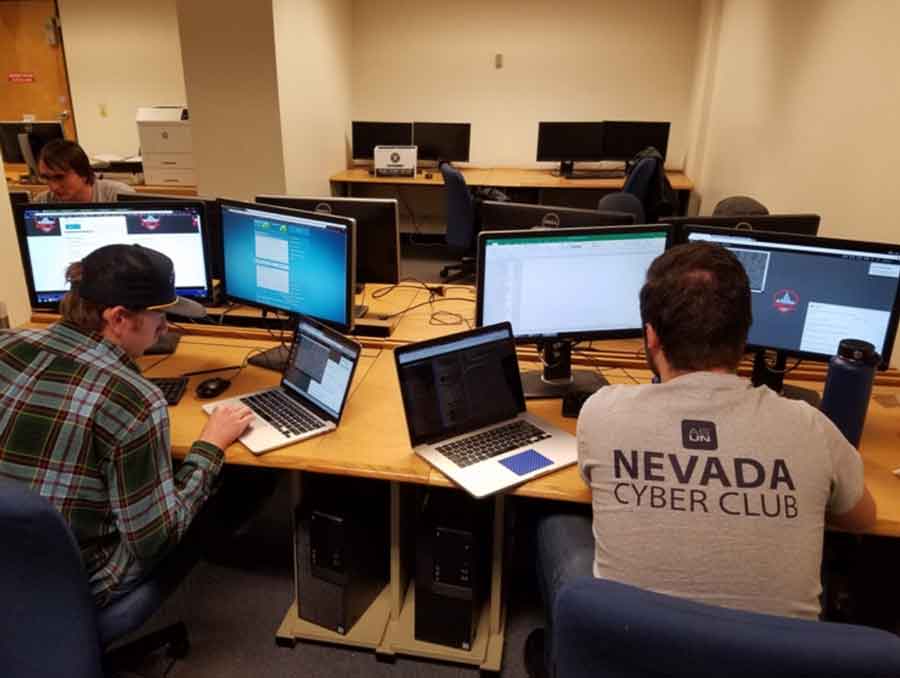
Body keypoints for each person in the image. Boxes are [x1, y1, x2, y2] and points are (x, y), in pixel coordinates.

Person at [526, 242, 876, 677]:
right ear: (745, 337)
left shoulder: (602, 412)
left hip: (632, 658)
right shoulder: (812, 427)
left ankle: (559, 654)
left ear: (651, 336)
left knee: (554, 521)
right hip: (772, 665)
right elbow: (862, 519)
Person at [0, 243, 254, 607]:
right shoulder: (134, 399)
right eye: (158, 318)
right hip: (71, 581)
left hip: (7, 558)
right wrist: (209, 448)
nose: (166, 328)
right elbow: (153, 542)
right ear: (118, 318)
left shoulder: (7, 343)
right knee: (219, 490)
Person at [34, 138, 135, 203]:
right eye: (46, 178)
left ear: (83, 173)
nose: (53, 187)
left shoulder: (118, 196)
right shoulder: (42, 201)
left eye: (60, 177)